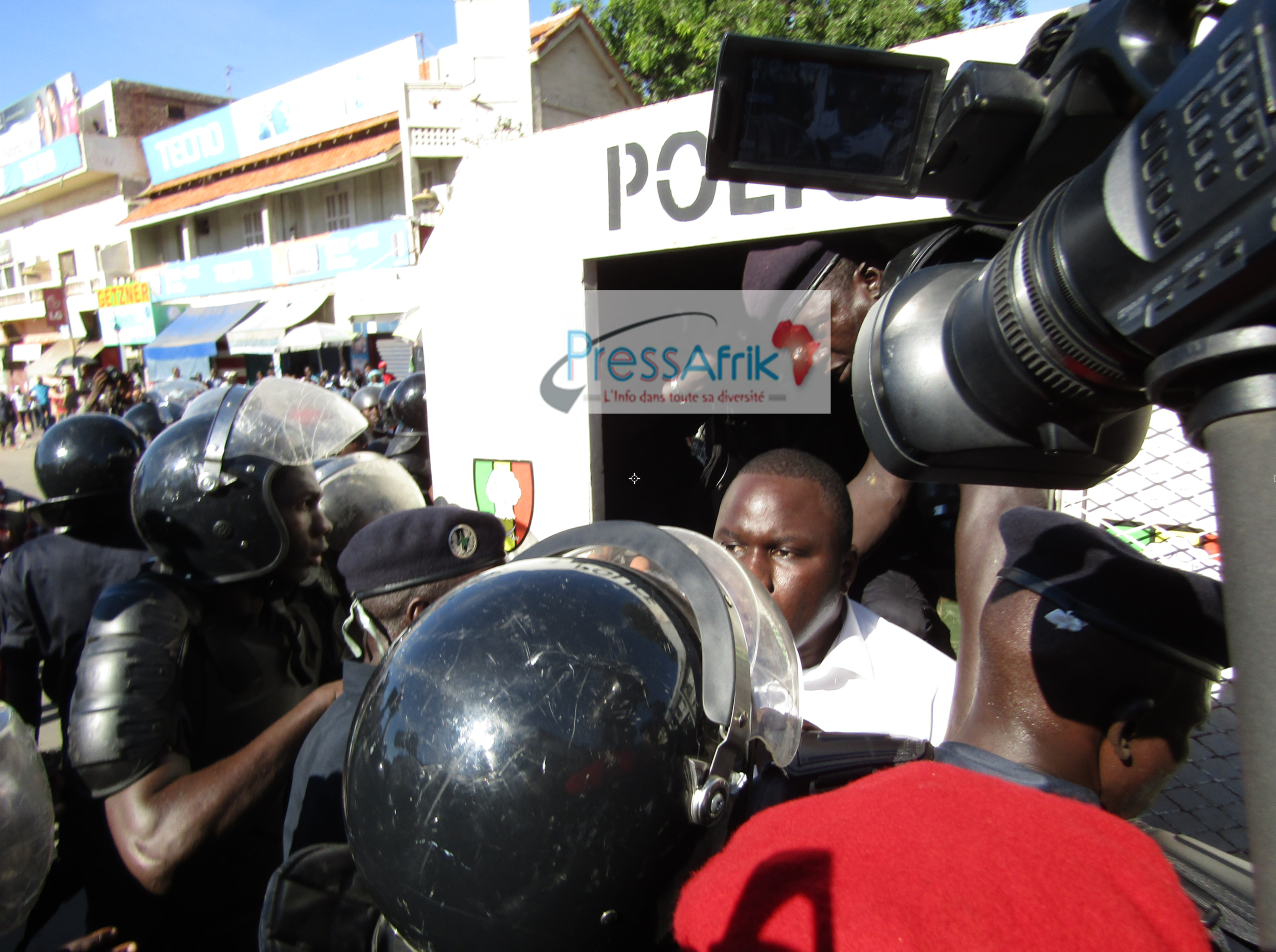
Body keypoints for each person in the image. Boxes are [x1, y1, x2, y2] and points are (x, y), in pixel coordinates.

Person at [673, 506, 1225, 952]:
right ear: (1129, 730)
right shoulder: (1138, 908)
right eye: (1188, 730)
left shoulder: (780, 843)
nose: (1181, 756)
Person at [66, 379, 368, 951]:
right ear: (236, 521)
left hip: (288, 906)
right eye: (303, 506)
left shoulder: (289, 601)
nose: (322, 524)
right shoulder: (146, 621)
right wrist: (319, 704)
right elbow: (153, 845)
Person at [0, 416, 153, 947]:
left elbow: (15, 694)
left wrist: (34, 783)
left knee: (107, 898)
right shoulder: (166, 550)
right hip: (173, 750)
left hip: (86, 763)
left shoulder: (26, 568)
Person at [280, 506, 506, 860]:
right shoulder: (352, 746)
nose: (504, 620)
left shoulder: (427, 706)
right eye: (486, 604)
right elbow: (332, 901)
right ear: (423, 617)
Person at [714, 448, 954, 742]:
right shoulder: (681, 655)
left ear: (846, 572)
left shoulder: (931, 696)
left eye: (784, 553)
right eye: (732, 548)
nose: (751, 578)